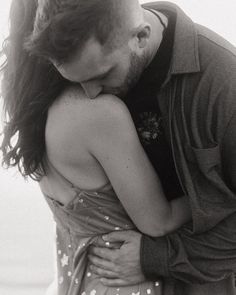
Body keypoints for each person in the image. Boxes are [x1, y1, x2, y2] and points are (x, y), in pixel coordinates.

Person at [1, 0, 236, 295]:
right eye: (79, 80)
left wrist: (155, 255)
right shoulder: (92, 65)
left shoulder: (223, 85)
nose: (91, 92)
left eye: (101, 76)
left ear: (140, 37)